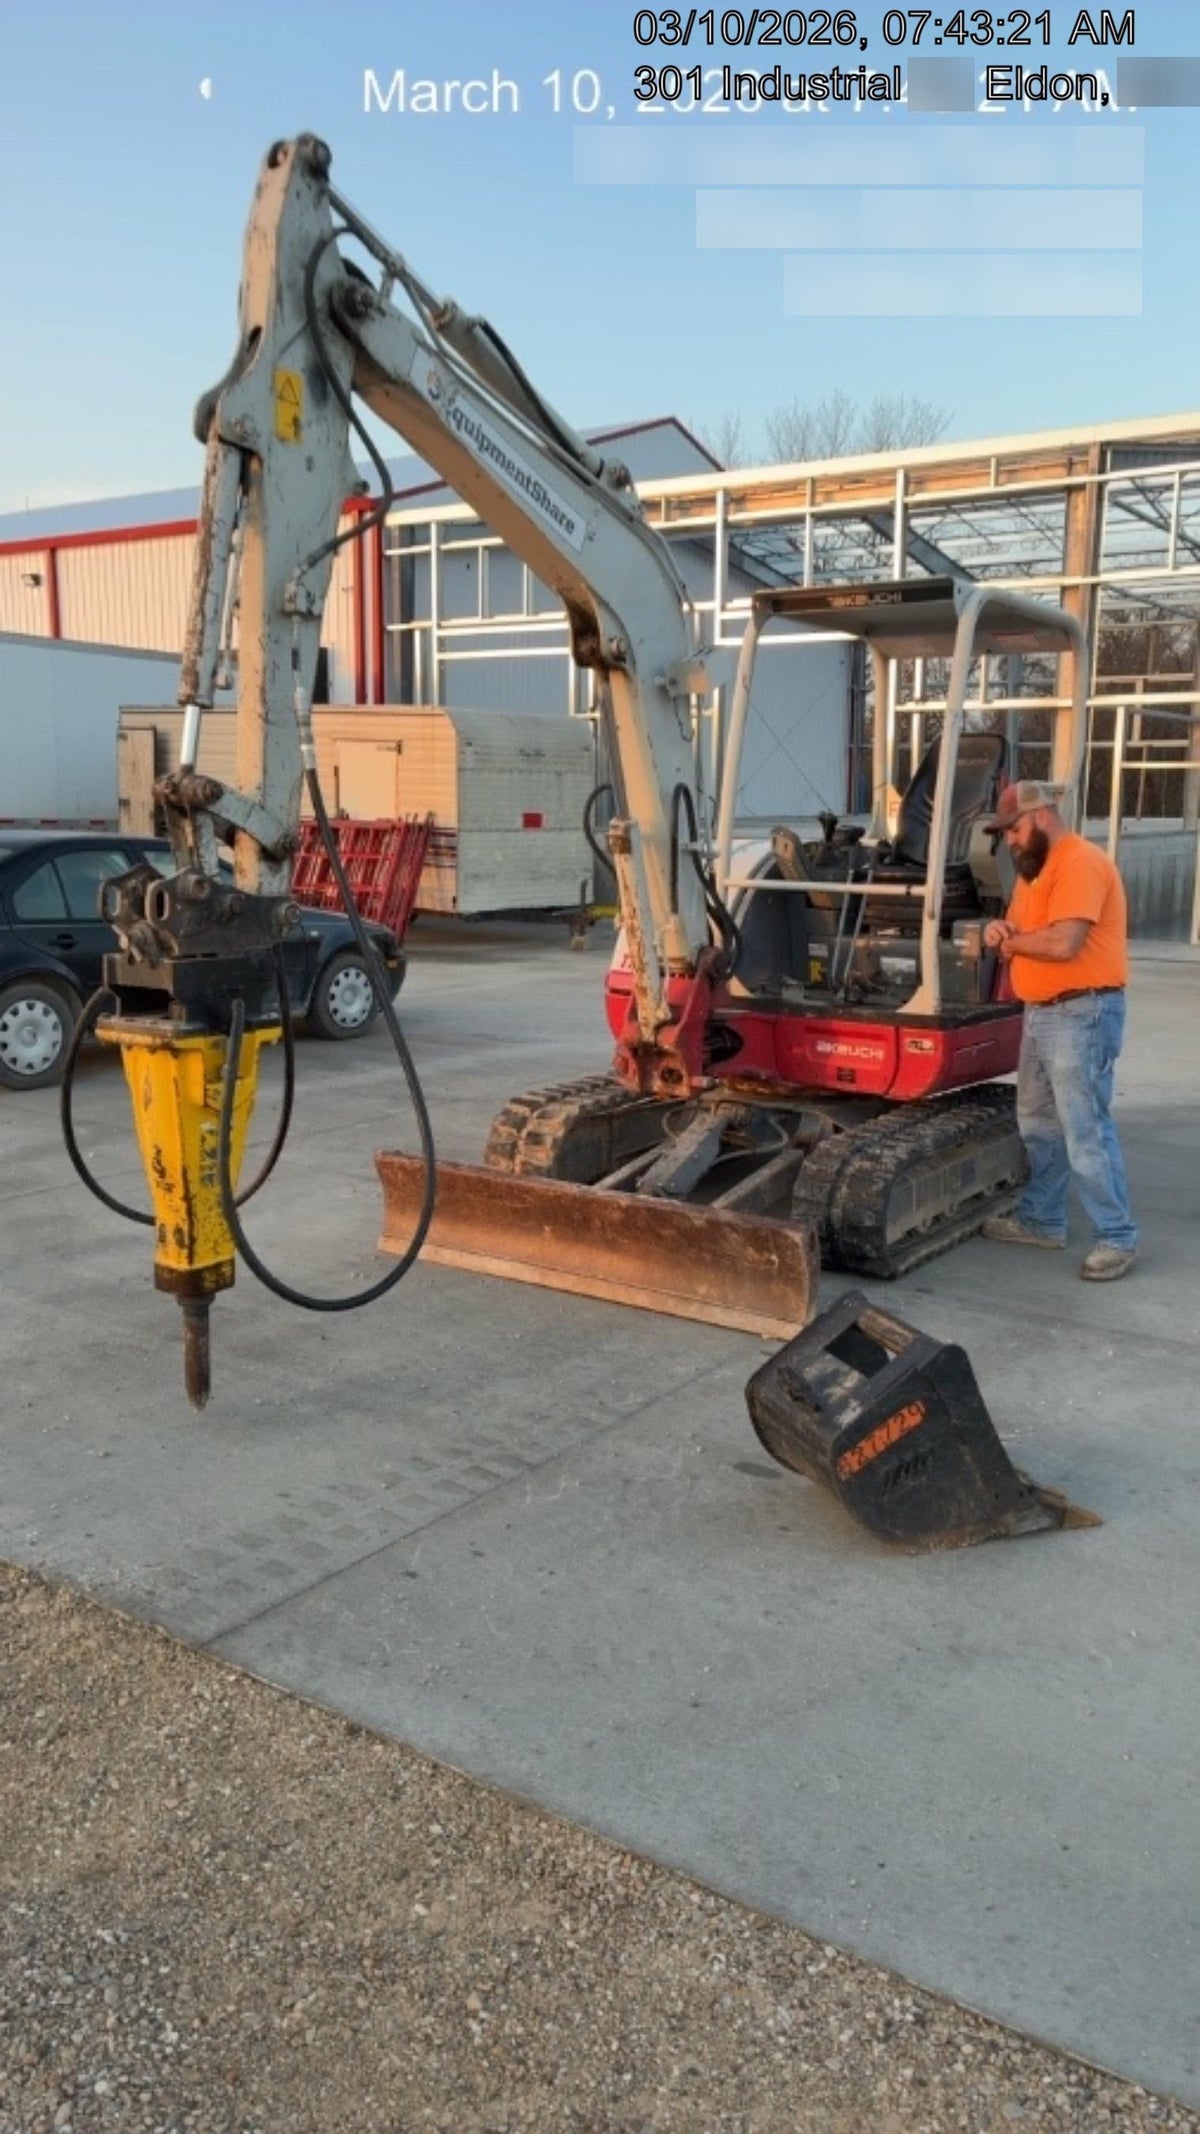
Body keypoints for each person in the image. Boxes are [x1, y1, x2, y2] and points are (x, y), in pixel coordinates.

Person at [979, 779, 1138, 1281]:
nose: (1009, 840)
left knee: (1084, 1129)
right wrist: (997, 932)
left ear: (1042, 816)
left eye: (1014, 829)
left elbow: (1064, 942)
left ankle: (1117, 1237)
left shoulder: (1078, 863)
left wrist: (1012, 944)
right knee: (1037, 1123)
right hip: (1042, 1012)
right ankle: (1042, 1220)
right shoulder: (1034, 870)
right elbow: (1016, 930)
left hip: (1081, 1013)